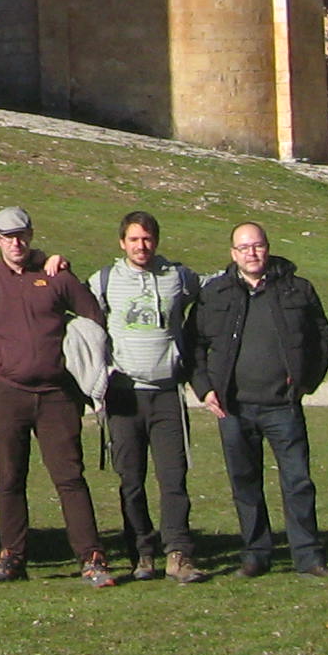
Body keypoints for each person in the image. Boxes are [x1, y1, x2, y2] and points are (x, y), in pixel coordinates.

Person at [0, 203, 112, 586]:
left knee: (70, 477)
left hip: (57, 396)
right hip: (7, 395)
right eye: (8, 236)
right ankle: (12, 557)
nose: (16, 242)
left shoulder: (55, 276)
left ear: (31, 234)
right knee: (9, 478)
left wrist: (82, 368)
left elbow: (94, 317)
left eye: (22, 234)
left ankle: (91, 558)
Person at [195, 220, 328, 578]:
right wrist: (205, 388)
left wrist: (307, 381)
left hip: (283, 405)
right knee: (245, 484)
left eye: (257, 246)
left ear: (268, 248)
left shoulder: (296, 290)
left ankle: (308, 556)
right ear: (233, 253)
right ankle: (256, 554)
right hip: (234, 408)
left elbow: (323, 336)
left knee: (298, 482)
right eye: (244, 248)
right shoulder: (216, 293)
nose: (251, 253)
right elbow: (192, 344)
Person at [95, 210, 204, 584]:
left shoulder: (177, 277)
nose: (141, 246)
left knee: (174, 477)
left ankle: (178, 553)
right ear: (122, 242)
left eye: (148, 239)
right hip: (124, 396)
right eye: (134, 239)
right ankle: (142, 554)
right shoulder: (105, 280)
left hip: (167, 394)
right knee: (131, 479)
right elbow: (70, 298)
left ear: (156, 241)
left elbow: (216, 287)